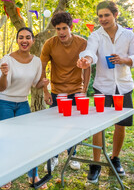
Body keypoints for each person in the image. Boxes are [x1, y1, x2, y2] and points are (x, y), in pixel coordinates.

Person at [77, 0, 134, 183]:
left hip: (124, 87)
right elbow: (90, 52)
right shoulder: (96, 35)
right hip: (102, 87)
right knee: (99, 127)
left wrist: (124, 59)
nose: (103, 19)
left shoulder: (128, 35)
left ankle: (114, 158)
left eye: (106, 15)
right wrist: (86, 60)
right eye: (100, 16)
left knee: (120, 125)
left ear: (115, 15)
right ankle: (95, 164)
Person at [0, 27, 49, 190]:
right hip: (4, 102)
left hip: (23, 102)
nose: (24, 40)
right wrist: (4, 74)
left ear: (32, 41)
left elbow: (35, 84)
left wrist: (44, 84)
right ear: (17, 40)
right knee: (5, 140)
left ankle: (33, 175)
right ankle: (6, 176)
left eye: (27, 37)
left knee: (28, 139)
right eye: (21, 37)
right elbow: (2, 88)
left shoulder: (37, 61)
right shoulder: (7, 59)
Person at [41, 11, 91, 172]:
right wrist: (45, 91)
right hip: (57, 91)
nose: (61, 32)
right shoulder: (50, 44)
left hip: (76, 90)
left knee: (73, 126)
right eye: (58, 29)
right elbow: (41, 67)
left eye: (64, 28)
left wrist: (84, 90)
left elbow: (87, 67)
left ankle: (72, 155)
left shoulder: (82, 43)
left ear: (70, 27)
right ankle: (54, 156)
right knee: (55, 125)